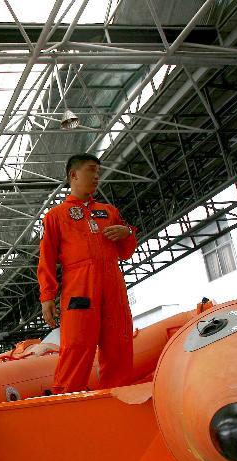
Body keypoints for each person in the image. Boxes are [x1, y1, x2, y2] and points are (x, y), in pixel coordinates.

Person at [37, 153, 137, 394]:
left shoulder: (109, 211)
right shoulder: (56, 216)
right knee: (76, 346)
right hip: (80, 288)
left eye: (98, 172)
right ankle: (66, 402)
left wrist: (127, 233)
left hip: (113, 287)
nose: (96, 176)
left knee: (119, 346)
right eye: (91, 170)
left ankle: (118, 400)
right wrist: (47, 296)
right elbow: (47, 258)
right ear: (73, 175)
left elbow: (125, 253)